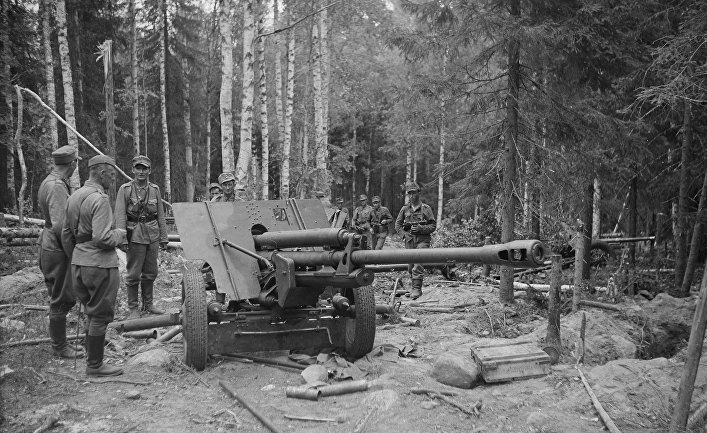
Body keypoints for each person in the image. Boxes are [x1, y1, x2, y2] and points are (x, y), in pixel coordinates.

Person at [62, 155, 127, 376]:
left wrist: (78, 256)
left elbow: (66, 234)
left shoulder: (74, 196)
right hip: (100, 265)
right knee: (99, 315)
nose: (113, 178)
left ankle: (92, 359)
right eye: (111, 174)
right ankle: (95, 365)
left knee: (91, 313)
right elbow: (102, 238)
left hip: (79, 263)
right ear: (101, 173)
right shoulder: (100, 199)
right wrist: (120, 234)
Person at [37, 145, 84, 359]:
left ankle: (61, 343)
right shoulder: (56, 186)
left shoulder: (51, 181)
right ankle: (59, 347)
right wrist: (73, 254)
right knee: (61, 297)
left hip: (51, 244)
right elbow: (60, 226)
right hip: (57, 247)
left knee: (60, 295)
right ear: (72, 164)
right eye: (76, 162)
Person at [115, 155, 168, 319]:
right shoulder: (125, 190)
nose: (141, 172)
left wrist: (164, 237)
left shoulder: (155, 189)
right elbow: (119, 215)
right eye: (138, 168)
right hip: (134, 235)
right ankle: (133, 308)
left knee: (151, 271)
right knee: (133, 273)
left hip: (152, 234)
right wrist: (122, 239)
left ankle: (148, 304)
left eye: (145, 168)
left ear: (149, 170)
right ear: (133, 170)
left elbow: (160, 215)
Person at [395, 182, 436, 299]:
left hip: (423, 240)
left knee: (418, 264)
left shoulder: (426, 209)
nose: (412, 196)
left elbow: (433, 226)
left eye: (414, 193)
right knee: (410, 266)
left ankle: (417, 289)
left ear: (419, 193)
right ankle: (414, 287)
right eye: (410, 193)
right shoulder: (404, 209)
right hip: (409, 241)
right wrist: (404, 235)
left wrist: (421, 228)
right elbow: (397, 225)